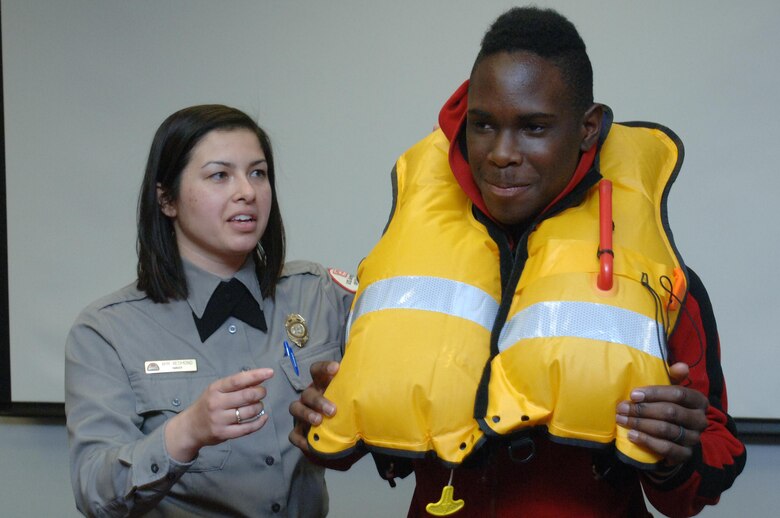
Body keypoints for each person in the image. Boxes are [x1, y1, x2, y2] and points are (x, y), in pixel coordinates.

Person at [289, 7, 745, 517]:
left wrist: (676, 456)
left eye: (533, 128)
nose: (502, 153)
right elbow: (365, 431)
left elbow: (712, 460)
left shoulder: (658, 279)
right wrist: (323, 421)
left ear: (588, 128)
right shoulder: (406, 260)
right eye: (483, 125)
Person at [65, 104, 356, 517]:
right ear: (167, 199)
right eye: (220, 175)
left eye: (258, 173)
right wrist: (186, 432)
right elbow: (94, 492)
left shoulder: (319, 293)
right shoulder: (106, 331)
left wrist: (347, 413)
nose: (247, 192)